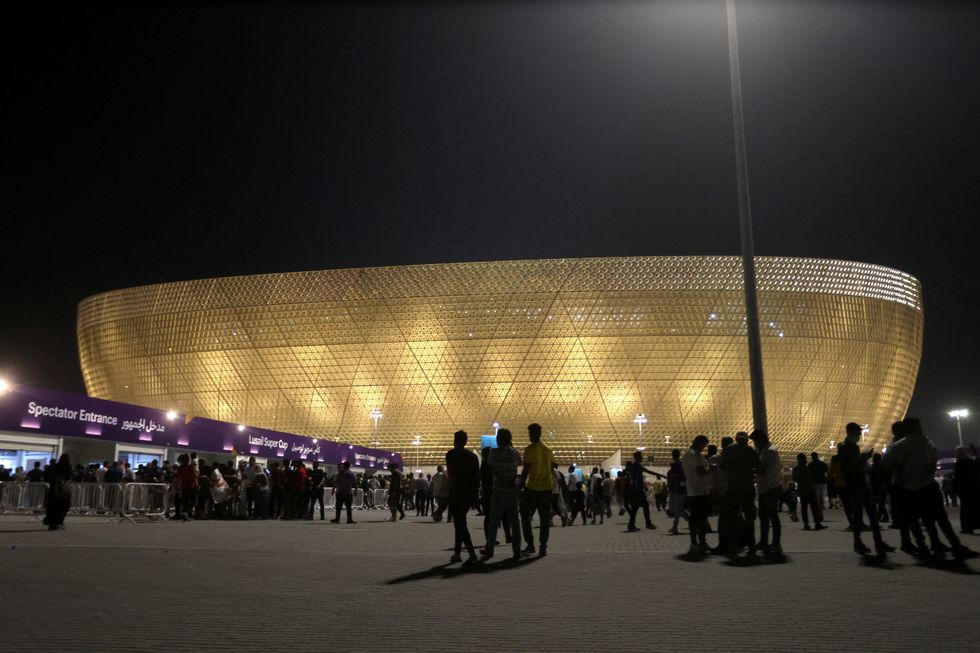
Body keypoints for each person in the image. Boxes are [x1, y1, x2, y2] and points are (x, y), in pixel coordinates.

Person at [885, 418, 977, 560]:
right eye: (919, 426)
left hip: (909, 487)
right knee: (940, 517)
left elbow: (887, 461)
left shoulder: (898, 446)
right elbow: (933, 456)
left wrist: (900, 470)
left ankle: (922, 547)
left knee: (915, 519)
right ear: (915, 428)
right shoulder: (924, 442)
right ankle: (955, 546)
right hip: (927, 485)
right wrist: (929, 469)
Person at [838, 422, 893, 555]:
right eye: (858, 434)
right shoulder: (843, 447)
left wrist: (862, 459)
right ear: (850, 433)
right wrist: (862, 458)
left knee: (872, 515)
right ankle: (858, 543)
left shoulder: (853, 447)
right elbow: (846, 467)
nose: (859, 436)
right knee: (858, 515)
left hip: (861, 483)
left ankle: (878, 542)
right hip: (854, 485)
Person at [884, 420, 928, 557]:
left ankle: (908, 542)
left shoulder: (894, 445)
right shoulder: (901, 444)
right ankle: (917, 543)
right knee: (912, 514)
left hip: (898, 483)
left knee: (907, 515)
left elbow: (885, 463)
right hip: (906, 483)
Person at [480, 428, 523, 561]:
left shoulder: (493, 453)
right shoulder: (515, 453)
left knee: (494, 521)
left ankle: (490, 549)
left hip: (499, 490)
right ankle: (517, 550)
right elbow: (519, 463)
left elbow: (490, 465)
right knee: (514, 522)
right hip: (512, 490)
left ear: (498, 439)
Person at [718, 432, 759, 555]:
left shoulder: (730, 450)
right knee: (749, 518)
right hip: (747, 488)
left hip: (734, 488)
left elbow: (723, 465)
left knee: (732, 517)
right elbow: (758, 467)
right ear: (746, 440)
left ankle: (731, 544)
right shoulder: (751, 451)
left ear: (736, 439)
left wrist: (733, 469)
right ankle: (751, 545)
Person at [445, 430, 480, 565]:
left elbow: (452, 475)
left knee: (460, 524)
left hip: (457, 493)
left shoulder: (450, 455)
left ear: (455, 440)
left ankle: (471, 553)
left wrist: (452, 491)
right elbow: (477, 478)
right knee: (460, 523)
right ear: (466, 441)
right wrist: (475, 496)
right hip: (468, 494)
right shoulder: (472, 456)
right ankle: (457, 553)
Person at [520, 423, 553, 557]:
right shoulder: (548, 450)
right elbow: (551, 470)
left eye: (530, 434)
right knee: (544, 519)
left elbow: (526, 471)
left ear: (533, 434)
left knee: (525, 516)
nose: (529, 436)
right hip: (547, 489)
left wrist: (520, 485)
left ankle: (530, 545)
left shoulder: (529, 450)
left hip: (532, 488)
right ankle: (543, 546)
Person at [682, 435, 712, 555]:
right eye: (704, 445)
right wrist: (712, 468)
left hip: (701, 490)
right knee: (696, 518)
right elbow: (700, 472)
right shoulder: (692, 455)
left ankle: (701, 542)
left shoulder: (696, 454)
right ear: (698, 443)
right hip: (696, 491)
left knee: (701, 518)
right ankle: (696, 542)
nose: (704, 448)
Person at [626, 450, 665, 532]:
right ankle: (647, 523)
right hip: (638, 491)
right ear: (637, 457)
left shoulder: (634, 465)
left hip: (635, 490)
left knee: (635, 508)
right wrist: (660, 475)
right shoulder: (638, 465)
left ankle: (631, 525)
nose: (642, 457)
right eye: (640, 456)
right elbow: (647, 471)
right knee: (644, 506)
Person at [793, 453, 824, 530]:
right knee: (814, 507)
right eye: (804, 459)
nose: (805, 460)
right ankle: (817, 523)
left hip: (802, 490)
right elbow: (810, 478)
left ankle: (806, 524)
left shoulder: (795, 469)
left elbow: (795, 479)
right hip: (809, 490)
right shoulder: (807, 468)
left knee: (804, 508)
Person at [42, 454, 72, 530]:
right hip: (63, 492)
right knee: (63, 507)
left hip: (54, 490)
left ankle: (52, 523)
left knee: (53, 507)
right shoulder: (68, 466)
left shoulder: (56, 467)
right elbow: (68, 477)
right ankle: (59, 522)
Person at [953, 446, 978, 535]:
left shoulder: (959, 463)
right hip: (973, 488)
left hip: (964, 489)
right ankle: (975, 524)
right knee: (974, 507)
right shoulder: (971, 461)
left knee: (965, 510)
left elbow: (957, 477)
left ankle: (967, 527)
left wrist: (956, 489)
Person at [666, 449, 688, 535]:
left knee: (679, 508)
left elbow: (673, 477)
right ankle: (675, 526)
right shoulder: (682, 463)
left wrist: (669, 484)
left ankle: (692, 523)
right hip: (683, 488)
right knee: (679, 508)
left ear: (673, 455)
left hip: (677, 489)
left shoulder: (675, 465)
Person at [176, 454, 198, 521]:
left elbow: (179, 478)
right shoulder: (190, 467)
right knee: (192, 501)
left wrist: (179, 486)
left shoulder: (180, 468)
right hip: (191, 486)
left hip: (185, 486)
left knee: (186, 501)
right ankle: (187, 514)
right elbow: (195, 476)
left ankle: (186, 514)